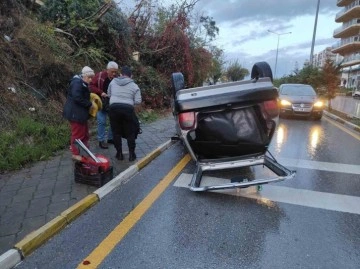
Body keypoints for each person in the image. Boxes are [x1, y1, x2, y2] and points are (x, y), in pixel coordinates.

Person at [108, 66, 142, 161]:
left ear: (121, 74)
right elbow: (138, 101)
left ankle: (119, 154)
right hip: (127, 109)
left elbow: (109, 94)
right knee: (130, 133)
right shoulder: (134, 86)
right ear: (131, 76)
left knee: (116, 132)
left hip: (114, 108)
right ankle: (132, 155)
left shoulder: (113, 82)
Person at [63, 66, 95, 161]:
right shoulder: (77, 83)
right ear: (84, 76)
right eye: (89, 77)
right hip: (75, 114)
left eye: (92, 77)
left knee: (85, 134)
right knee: (77, 135)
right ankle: (75, 154)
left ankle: (85, 151)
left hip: (80, 114)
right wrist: (89, 104)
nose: (91, 80)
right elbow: (77, 97)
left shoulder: (82, 83)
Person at [89, 61, 119, 149]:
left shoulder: (116, 78)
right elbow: (91, 86)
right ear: (107, 70)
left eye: (115, 72)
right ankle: (101, 140)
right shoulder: (100, 76)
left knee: (113, 120)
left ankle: (110, 138)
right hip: (101, 102)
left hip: (112, 102)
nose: (113, 74)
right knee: (101, 121)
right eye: (112, 71)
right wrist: (101, 92)